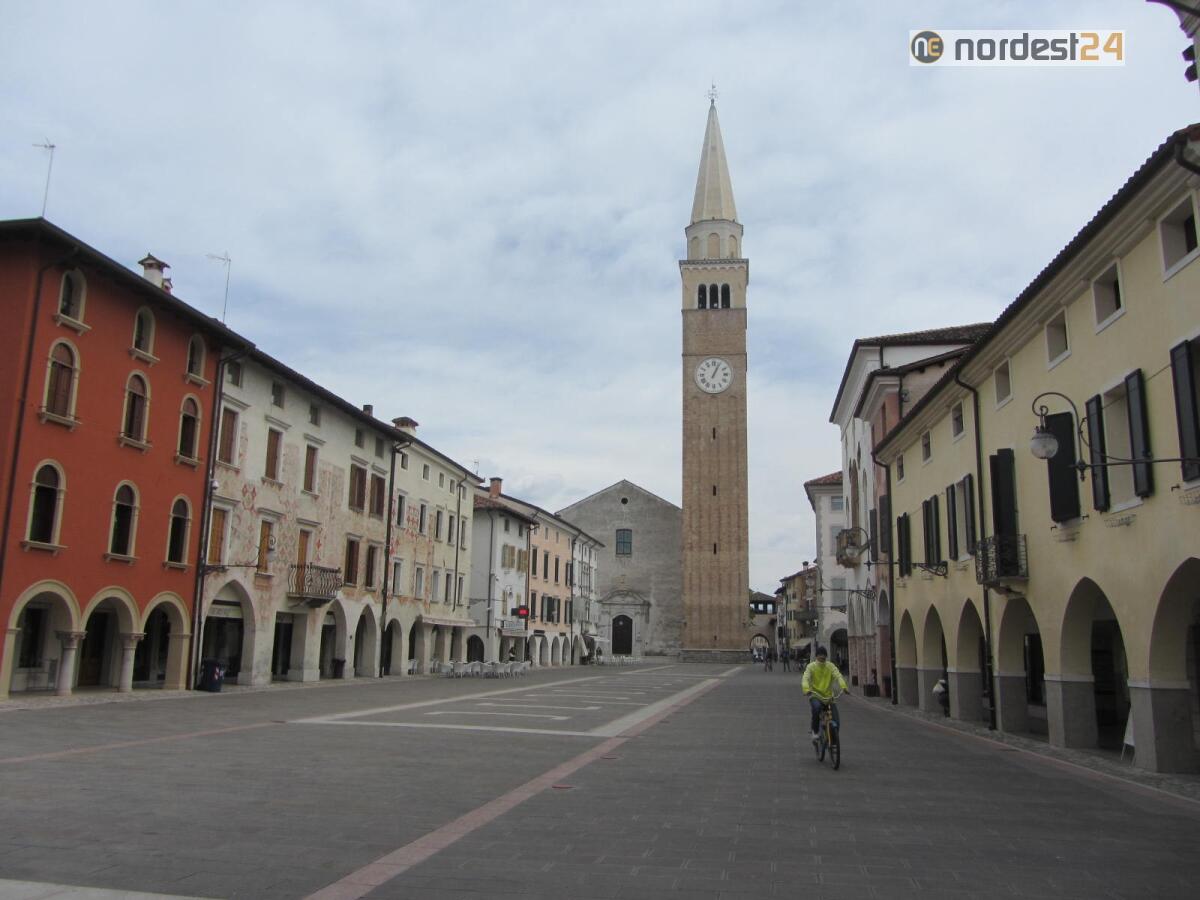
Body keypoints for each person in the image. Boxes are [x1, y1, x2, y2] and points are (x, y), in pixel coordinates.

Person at [802, 645, 848, 744]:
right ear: (816, 656)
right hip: (815, 695)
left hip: (829, 697)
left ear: (826, 656)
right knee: (817, 708)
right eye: (820, 655)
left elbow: (838, 676)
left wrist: (844, 687)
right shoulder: (811, 667)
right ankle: (815, 731)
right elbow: (805, 678)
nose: (822, 657)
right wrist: (806, 689)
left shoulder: (830, 666)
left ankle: (833, 740)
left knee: (836, 720)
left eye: (824, 655)